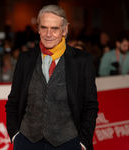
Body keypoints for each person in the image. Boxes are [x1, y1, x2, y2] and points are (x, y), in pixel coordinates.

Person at [5, 5, 98, 150]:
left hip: (68, 142)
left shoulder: (82, 61)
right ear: (38, 29)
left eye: (54, 28)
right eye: (44, 27)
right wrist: (15, 135)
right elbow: (13, 100)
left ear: (64, 30)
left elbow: (90, 105)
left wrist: (82, 143)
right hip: (27, 141)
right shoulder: (25, 59)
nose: (48, 34)